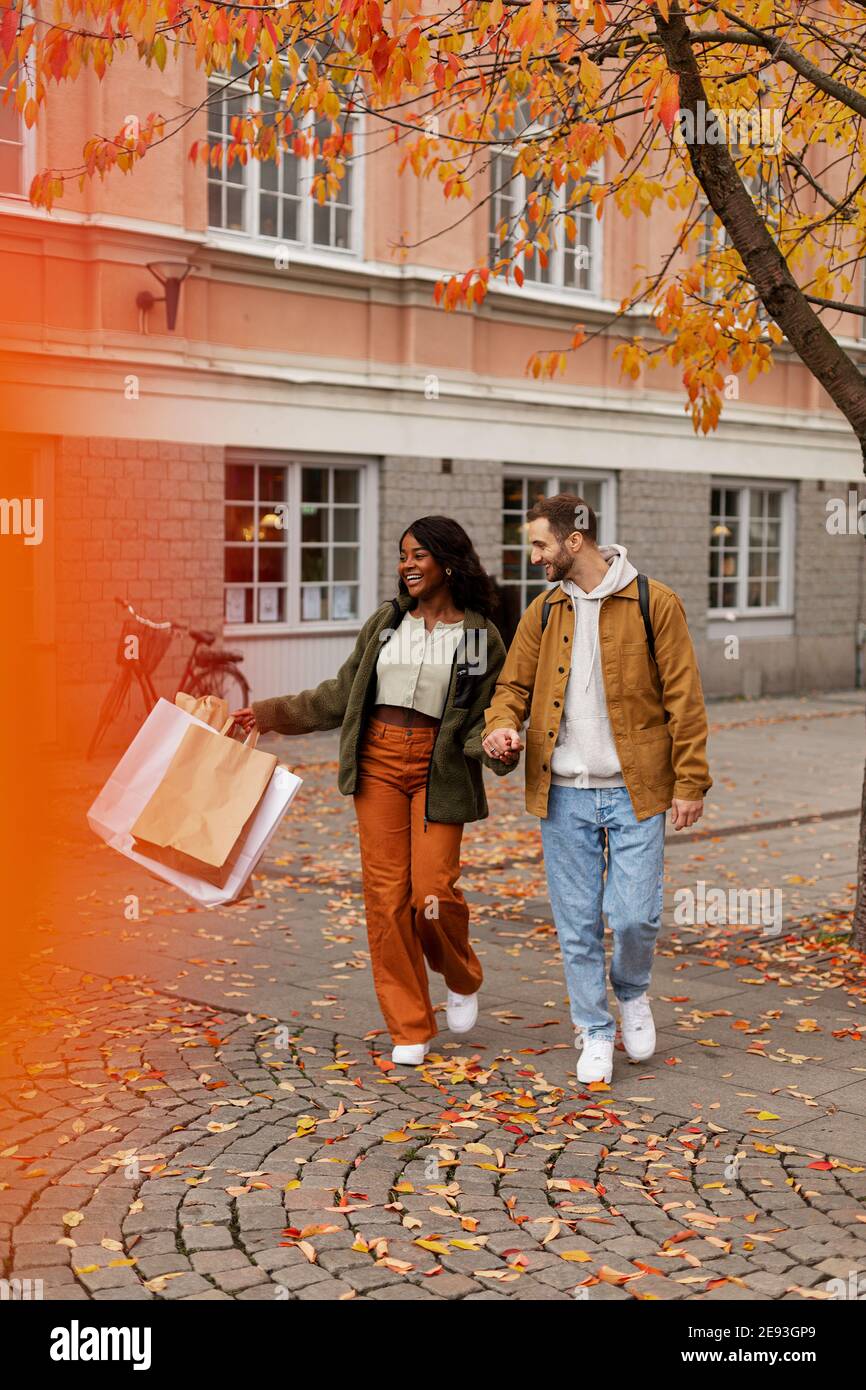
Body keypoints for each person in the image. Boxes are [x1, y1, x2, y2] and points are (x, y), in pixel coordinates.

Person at [232, 517, 516, 1066]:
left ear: (448, 561)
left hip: (439, 768)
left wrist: (499, 746)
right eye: (401, 555)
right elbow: (340, 694)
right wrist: (270, 714)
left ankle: (461, 975)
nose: (406, 565)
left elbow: (484, 718)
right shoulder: (386, 624)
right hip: (379, 763)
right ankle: (410, 1025)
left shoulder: (481, 636)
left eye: (417, 555)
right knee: (387, 900)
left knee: (431, 894)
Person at [482, 494, 711, 1085]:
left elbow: (685, 700)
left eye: (539, 545)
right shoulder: (542, 612)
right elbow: (512, 686)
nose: (533, 557)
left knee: (634, 915)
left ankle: (632, 992)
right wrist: (503, 724)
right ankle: (595, 1028)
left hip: (637, 790)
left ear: (573, 541)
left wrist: (691, 781)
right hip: (564, 794)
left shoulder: (653, 604)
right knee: (578, 922)